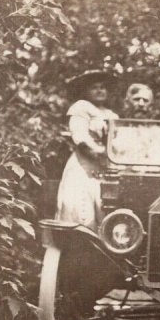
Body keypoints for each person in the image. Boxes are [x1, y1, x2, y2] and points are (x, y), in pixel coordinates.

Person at [55, 70, 119, 230]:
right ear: (85, 91)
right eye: (94, 88)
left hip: (106, 168)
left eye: (103, 87)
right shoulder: (81, 107)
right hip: (84, 167)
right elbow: (80, 138)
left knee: (106, 210)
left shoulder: (111, 114)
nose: (100, 91)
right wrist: (99, 154)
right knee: (82, 211)